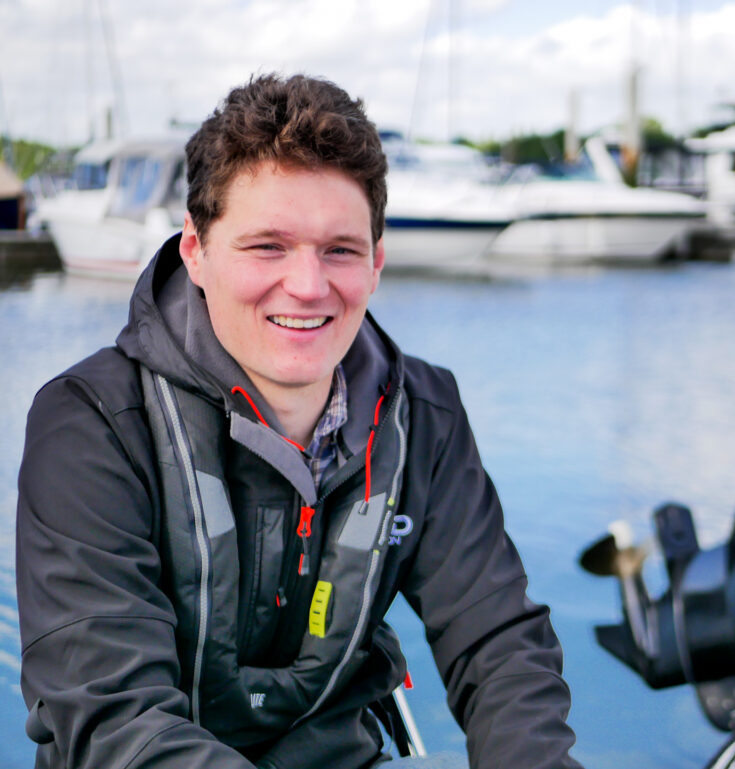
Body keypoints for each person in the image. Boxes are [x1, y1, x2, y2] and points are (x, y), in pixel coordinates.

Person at [17, 73, 583, 769]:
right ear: (195, 250)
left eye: (339, 249)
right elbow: (114, 717)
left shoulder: (425, 416)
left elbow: (497, 645)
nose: (309, 286)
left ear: (376, 262)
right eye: (268, 246)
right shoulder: (91, 424)